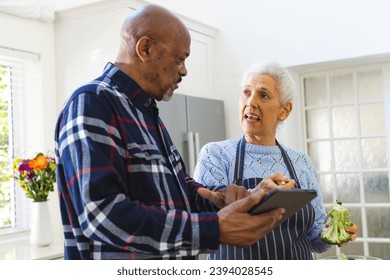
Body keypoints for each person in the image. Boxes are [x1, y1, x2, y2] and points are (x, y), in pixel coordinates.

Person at [54, 4, 288, 260]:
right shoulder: (92, 102)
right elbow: (100, 213)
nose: (184, 70)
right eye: (179, 58)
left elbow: (176, 188)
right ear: (145, 49)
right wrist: (213, 228)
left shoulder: (145, 110)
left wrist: (219, 198)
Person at [193, 61, 358, 259]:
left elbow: (314, 238)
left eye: (263, 95)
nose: (251, 102)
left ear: (284, 111)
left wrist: (334, 233)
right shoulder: (215, 155)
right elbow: (205, 225)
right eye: (246, 92)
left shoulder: (301, 162)